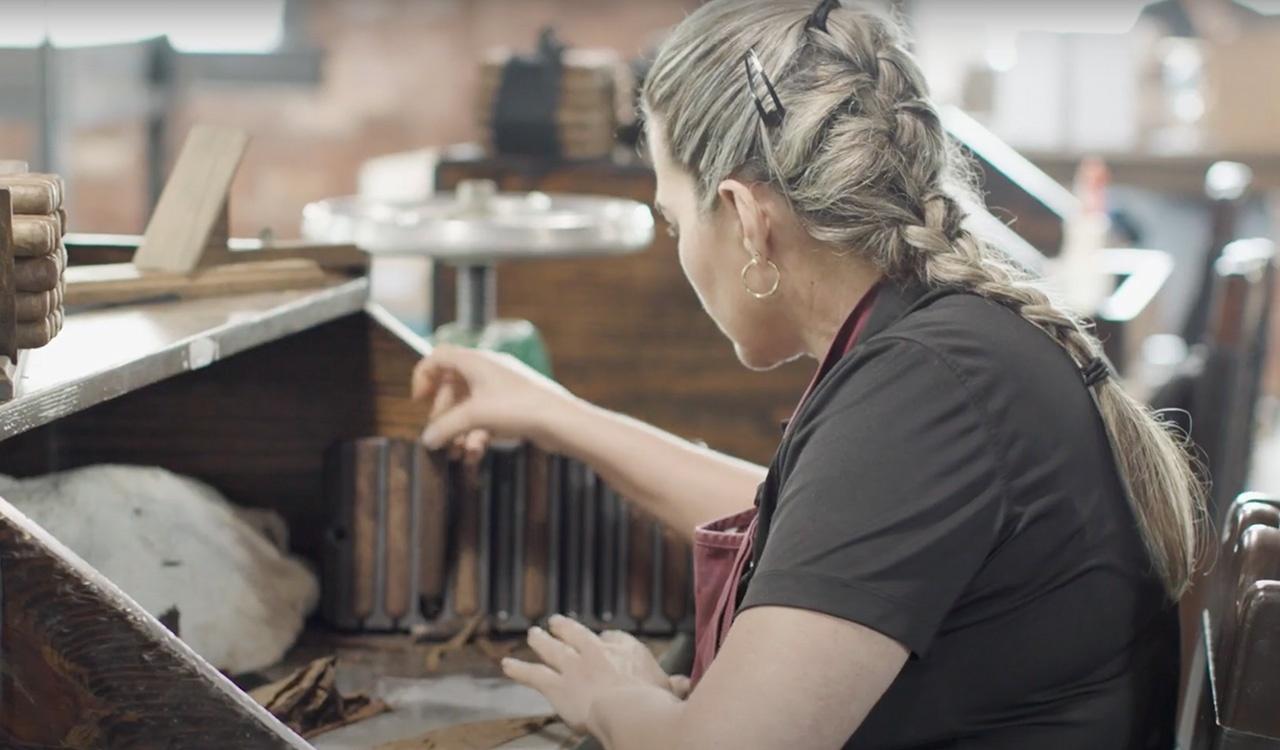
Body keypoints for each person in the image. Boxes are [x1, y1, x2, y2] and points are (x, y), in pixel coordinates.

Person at [411, 1, 1206, 747]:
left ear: (748, 219)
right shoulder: (943, 346)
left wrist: (616, 698)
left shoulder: (930, 387)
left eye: (675, 220)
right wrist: (558, 415)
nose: (680, 246)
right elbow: (817, 534)